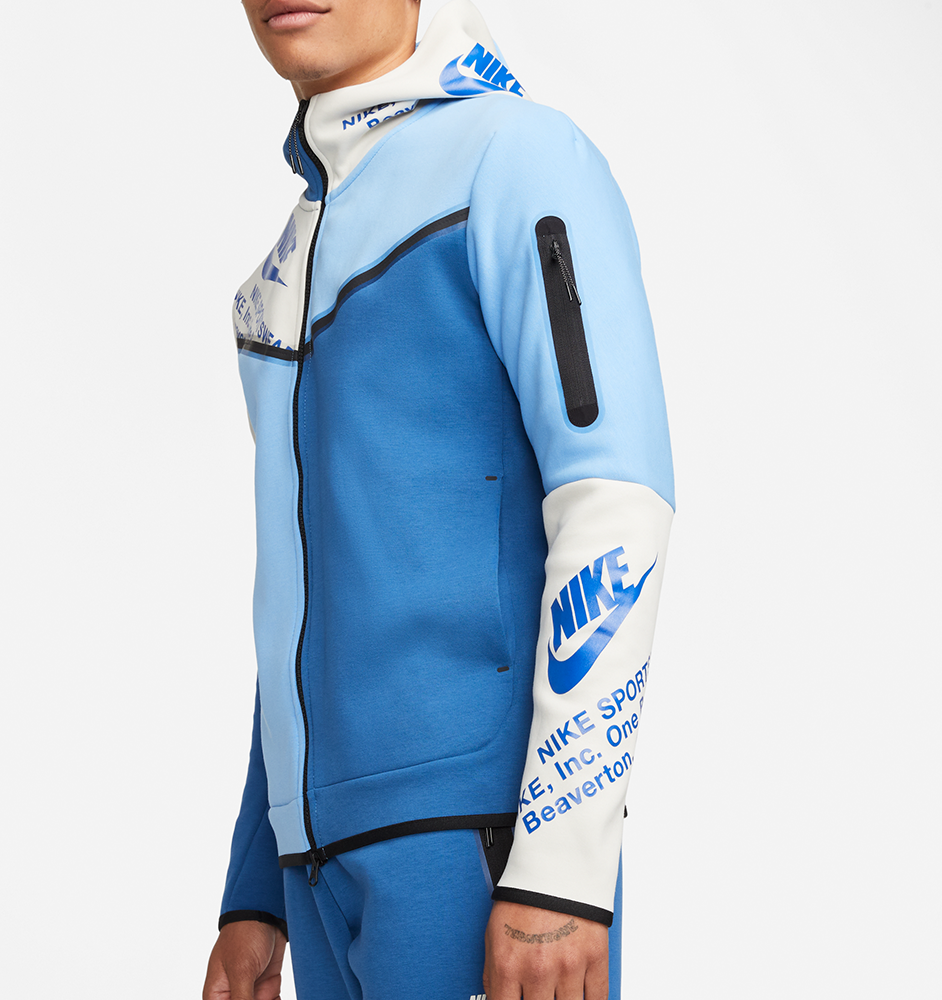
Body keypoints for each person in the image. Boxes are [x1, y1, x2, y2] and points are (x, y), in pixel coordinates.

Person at [202, 1, 674, 998]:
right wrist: (254, 888)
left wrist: (562, 868)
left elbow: (614, 500)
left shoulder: (515, 158)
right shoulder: (279, 273)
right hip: (314, 874)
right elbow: (301, 597)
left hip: (471, 851)